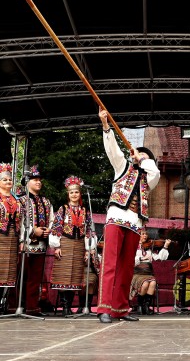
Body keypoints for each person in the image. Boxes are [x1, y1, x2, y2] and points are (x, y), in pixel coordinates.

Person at [97, 108, 161, 323]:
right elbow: (113, 150)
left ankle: (120, 309)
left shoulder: (148, 179)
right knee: (111, 265)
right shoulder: (122, 167)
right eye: (138, 153)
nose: (139, 155)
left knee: (126, 269)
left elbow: (155, 172)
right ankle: (104, 308)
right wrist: (106, 126)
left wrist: (142, 158)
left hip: (134, 224)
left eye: (144, 155)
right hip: (115, 219)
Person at [49, 176, 96, 316]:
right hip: (65, 244)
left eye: (76, 192)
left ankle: (70, 306)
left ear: (80, 193)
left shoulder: (85, 211)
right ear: (68, 194)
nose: (74, 195)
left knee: (75, 276)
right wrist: (56, 246)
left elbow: (89, 230)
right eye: (71, 193)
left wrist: (89, 249)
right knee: (64, 276)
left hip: (80, 245)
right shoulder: (63, 209)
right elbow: (56, 227)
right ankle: (65, 307)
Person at [17, 165, 54, 316]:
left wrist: (47, 231)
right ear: (27, 182)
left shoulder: (46, 202)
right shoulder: (21, 201)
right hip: (24, 243)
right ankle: (16, 306)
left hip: (41, 245)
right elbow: (19, 221)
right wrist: (33, 230)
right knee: (20, 276)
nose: (38, 182)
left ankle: (32, 308)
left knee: (35, 278)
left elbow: (52, 220)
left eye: (39, 180)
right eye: (35, 180)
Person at [130, 229, 171, 315]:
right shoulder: (132, 246)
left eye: (146, 234)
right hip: (137, 273)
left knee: (153, 283)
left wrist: (165, 246)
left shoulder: (148, 248)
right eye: (143, 234)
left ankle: (146, 306)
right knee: (145, 284)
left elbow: (160, 257)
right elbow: (129, 260)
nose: (145, 236)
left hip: (148, 273)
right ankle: (140, 305)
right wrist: (141, 258)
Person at [0, 163, 21, 313]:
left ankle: (3, 302)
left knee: (9, 270)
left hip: (13, 237)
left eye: (9, 180)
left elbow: (22, 221)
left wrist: (21, 240)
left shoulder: (17, 200)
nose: (8, 182)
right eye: (4, 180)